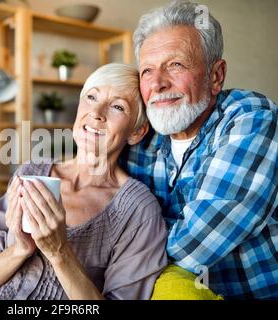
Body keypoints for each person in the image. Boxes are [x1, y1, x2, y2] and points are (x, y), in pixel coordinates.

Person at [0, 63, 168, 300]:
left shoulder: (140, 211)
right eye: (91, 97)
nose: (96, 113)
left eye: (118, 107)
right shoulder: (31, 171)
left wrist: (59, 252)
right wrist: (20, 249)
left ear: (136, 132)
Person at [119, 0, 277, 299]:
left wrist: (118, 242)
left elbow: (197, 241)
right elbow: (88, 196)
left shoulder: (252, 117)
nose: (158, 84)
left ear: (215, 76)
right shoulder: (138, 137)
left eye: (175, 65)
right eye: (147, 71)